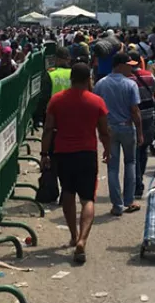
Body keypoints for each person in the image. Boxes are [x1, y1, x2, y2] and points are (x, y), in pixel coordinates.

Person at [41, 63, 111, 264]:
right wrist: (107, 149)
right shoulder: (96, 101)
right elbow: (104, 131)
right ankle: (83, 239)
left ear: (71, 78)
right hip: (87, 153)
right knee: (88, 199)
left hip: (63, 153)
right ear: (88, 78)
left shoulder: (56, 100)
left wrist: (45, 153)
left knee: (68, 194)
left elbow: (48, 129)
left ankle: (73, 234)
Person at [93, 52, 144, 216]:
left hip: (109, 129)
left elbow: (96, 110)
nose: (131, 68)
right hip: (127, 128)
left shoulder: (100, 84)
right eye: (129, 65)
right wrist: (140, 132)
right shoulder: (130, 85)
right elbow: (135, 111)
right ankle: (128, 201)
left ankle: (117, 205)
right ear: (120, 65)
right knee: (130, 163)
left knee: (112, 168)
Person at [129, 50, 155, 198]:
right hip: (149, 117)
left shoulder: (127, 78)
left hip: (132, 119)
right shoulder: (148, 76)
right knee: (143, 149)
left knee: (134, 153)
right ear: (140, 62)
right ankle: (139, 180)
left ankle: (137, 184)